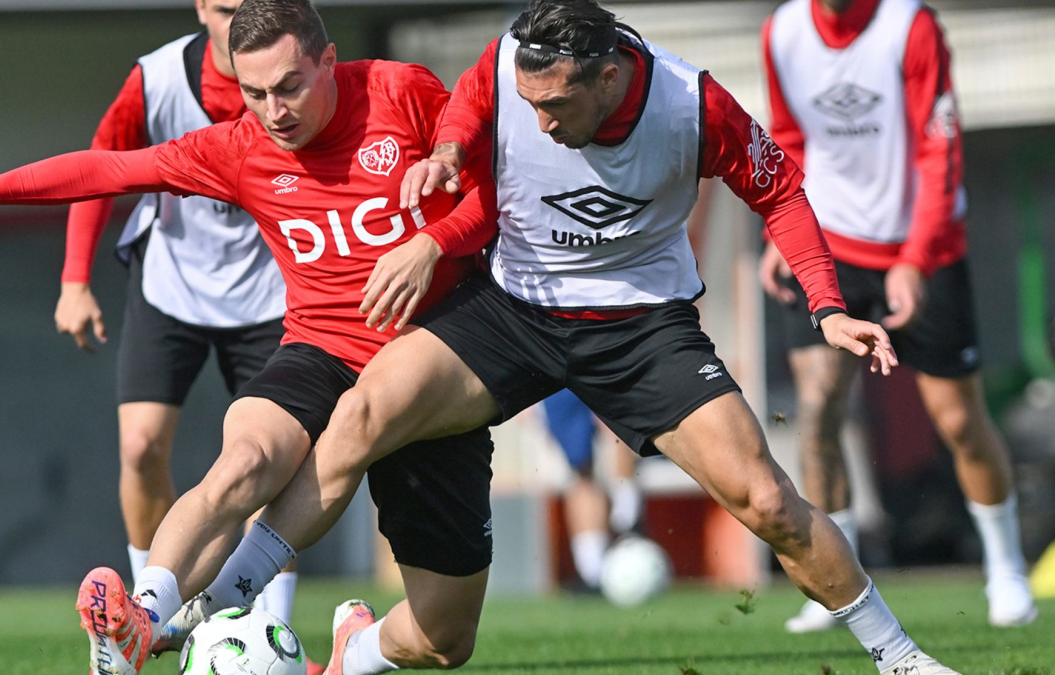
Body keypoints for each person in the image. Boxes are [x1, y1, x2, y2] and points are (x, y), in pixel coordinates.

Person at [177, 0, 959, 673]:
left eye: (556, 107)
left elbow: (781, 191)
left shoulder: (693, 105)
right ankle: (219, 607)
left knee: (768, 502)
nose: (541, 124)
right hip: (513, 309)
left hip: (640, 326)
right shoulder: (513, 61)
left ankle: (902, 656)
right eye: (531, 104)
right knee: (360, 415)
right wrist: (450, 148)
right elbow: (473, 102)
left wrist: (827, 305)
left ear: (610, 76)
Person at [0, 1, 501, 675]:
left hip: (434, 361)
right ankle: (140, 623)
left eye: (290, 86)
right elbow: (109, 169)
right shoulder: (239, 147)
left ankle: (354, 649)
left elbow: (493, 190)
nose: (274, 110)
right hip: (321, 350)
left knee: (443, 639)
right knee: (244, 460)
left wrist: (433, 245)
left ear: (329, 61)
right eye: (254, 92)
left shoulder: (399, 91)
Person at [759, 0, 1037, 632]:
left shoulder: (909, 25)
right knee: (817, 410)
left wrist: (915, 258)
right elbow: (790, 139)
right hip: (826, 244)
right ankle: (837, 583)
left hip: (922, 244)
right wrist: (784, 233)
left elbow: (940, 150)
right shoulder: (782, 31)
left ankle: (1005, 568)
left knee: (959, 419)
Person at [58, 0, 302, 612]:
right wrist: (73, 279)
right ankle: (147, 611)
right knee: (140, 447)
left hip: (271, 293)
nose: (236, 23)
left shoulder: (297, 81)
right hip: (171, 284)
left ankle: (271, 632)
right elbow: (100, 166)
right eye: (223, 10)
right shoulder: (157, 78)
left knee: (275, 467)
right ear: (200, 7)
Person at [541, 389, 642, 590]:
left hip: (606, 361)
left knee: (620, 428)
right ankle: (593, 573)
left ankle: (627, 520)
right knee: (579, 469)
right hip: (556, 375)